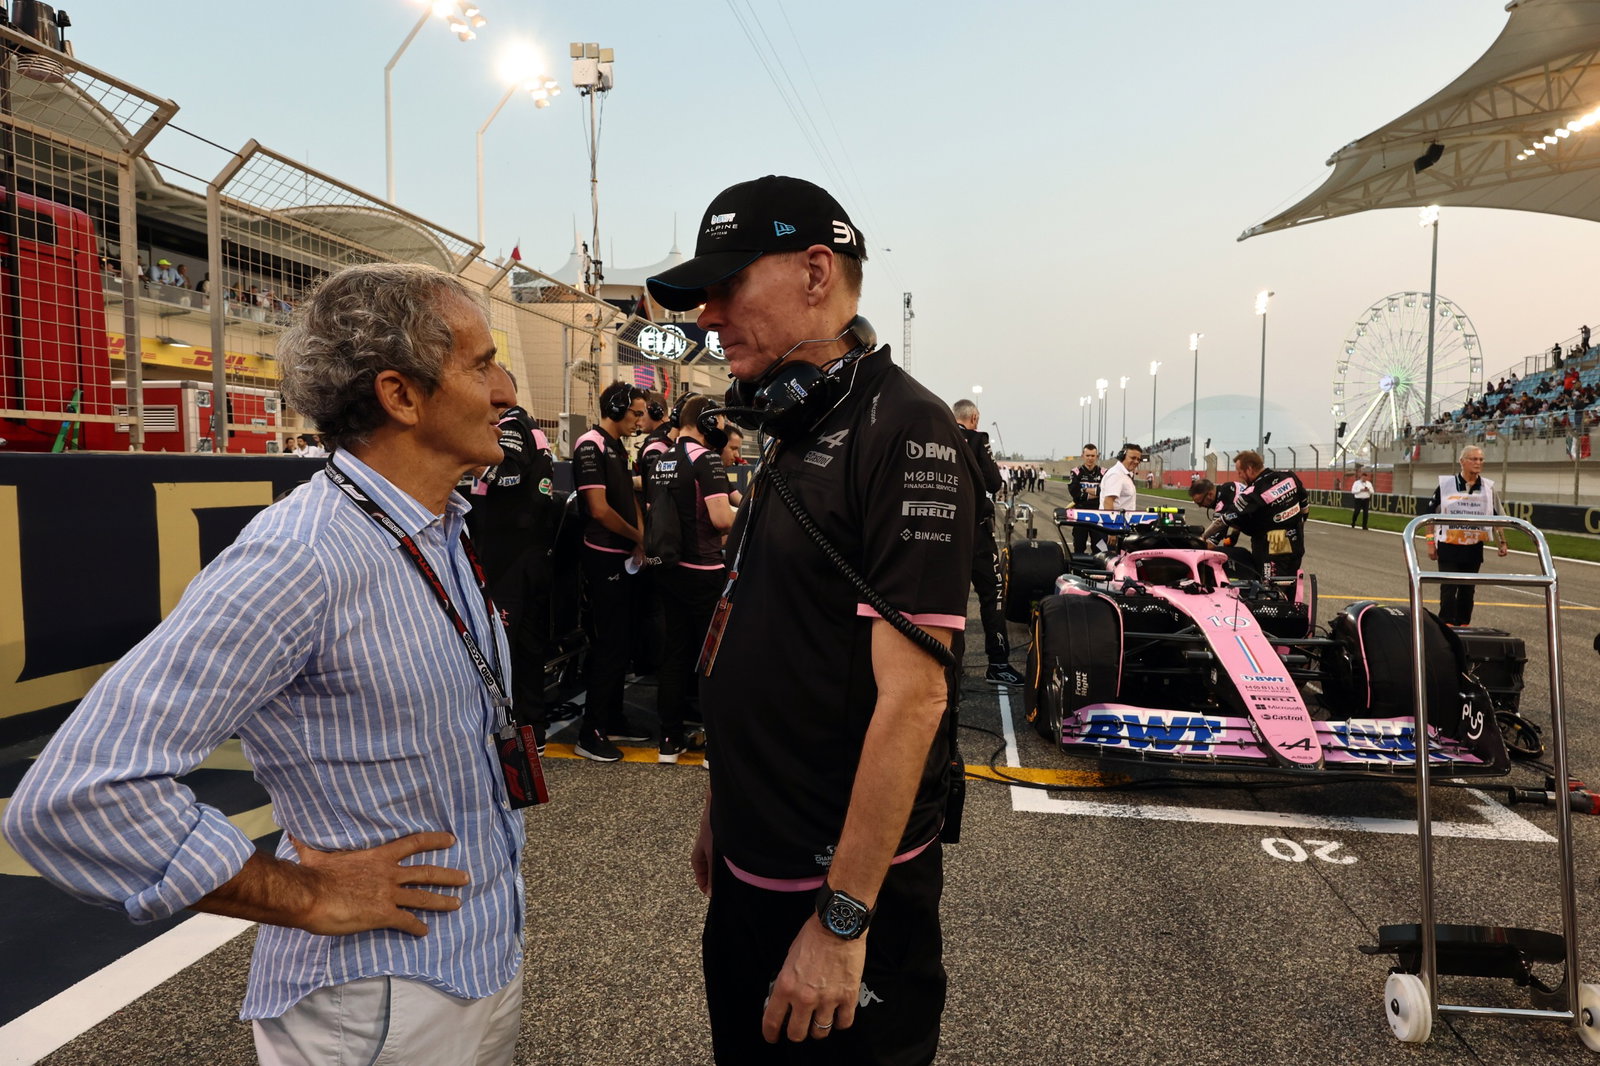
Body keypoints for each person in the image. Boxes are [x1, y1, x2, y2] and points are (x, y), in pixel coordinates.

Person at [2, 263, 531, 1064]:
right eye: (482, 363)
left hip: (477, 964)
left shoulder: (437, 525)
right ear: (401, 395)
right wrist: (305, 893)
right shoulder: (302, 556)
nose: (507, 388)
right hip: (378, 1003)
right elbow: (76, 796)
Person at [648, 174, 973, 1065]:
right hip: (754, 860)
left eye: (726, 287)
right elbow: (764, 623)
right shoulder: (791, 429)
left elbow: (915, 701)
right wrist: (725, 794)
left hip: (837, 897)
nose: (708, 316)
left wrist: (840, 921)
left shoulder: (907, 430)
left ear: (816, 272)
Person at [463, 372, 559, 750]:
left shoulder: (512, 423)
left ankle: (513, 733)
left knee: (507, 650)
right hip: (531, 555)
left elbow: (508, 475)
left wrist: (472, 461)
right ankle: (533, 731)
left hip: (510, 559)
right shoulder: (529, 426)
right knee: (529, 648)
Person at [648, 393, 735, 761]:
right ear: (705, 422)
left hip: (668, 570)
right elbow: (720, 519)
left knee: (675, 653)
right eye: (716, 423)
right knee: (713, 659)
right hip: (705, 571)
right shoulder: (707, 460)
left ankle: (668, 741)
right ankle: (713, 748)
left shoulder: (661, 459)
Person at [571, 381, 650, 761]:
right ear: (616, 408)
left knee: (623, 643)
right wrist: (637, 535)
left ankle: (613, 718)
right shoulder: (591, 444)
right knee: (608, 644)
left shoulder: (618, 447)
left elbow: (629, 498)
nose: (639, 419)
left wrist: (641, 539)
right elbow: (599, 509)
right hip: (602, 555)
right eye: (635, 412)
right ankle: (591, 733)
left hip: (626, 555)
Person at [952, 398, 1023, 686]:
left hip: (945, 531)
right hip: (977, 532)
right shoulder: (978, 439)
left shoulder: (938, 436)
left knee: (950, 600)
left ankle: (950, 668)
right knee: (992, 595)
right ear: (975, 418)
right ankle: (998, 663)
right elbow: (994, 482)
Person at [1425, 445, 1509, 626]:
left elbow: (1497, 515)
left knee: (1468, 588)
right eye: (1473, 459)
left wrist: (1502, 541)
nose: (1478, 463)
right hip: (1449, 543)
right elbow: (1430, 516)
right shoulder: (1446, 486)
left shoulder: (1488, 487)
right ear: (1462, 462)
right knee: (1449, 587)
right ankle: (1445, 624)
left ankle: (1464, 624)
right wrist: (1430, 542)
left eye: (1481, 459)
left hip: (1473, 545)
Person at [1207, 450, 1308, 579]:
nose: (1239, 476)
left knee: (1270, 591)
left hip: (1272, 547)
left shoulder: (1252, 492)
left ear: (1249, 469)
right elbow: (1305, 508)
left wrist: (1205, 537)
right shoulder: (1289, 476)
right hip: (1296, 543)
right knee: (1291, 585)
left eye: (1240, 471)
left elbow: (1225, 519)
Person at [1066, 445, 1105, 553]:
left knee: (1100, 549)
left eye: (1093, 455)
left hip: (1099, 516)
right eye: (1087, 455)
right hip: (1080, 515)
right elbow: (1076, 494)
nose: (1090, 458)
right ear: (1082, 456)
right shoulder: (1076, 472)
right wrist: (1097, 492)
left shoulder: (1104, 473)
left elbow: (1106, 493)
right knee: (1079, 547)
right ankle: (1079, 570)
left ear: (1097, 456)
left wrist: (1085, 490)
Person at [1098, 443, 1142, 511]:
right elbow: (1108, 502)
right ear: (1122, 457)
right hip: (1116, 521)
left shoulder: (1124, 474)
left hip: (1124, 520)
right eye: (1133, 458)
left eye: (1138, 459)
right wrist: (1111, 521)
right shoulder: (1116, 474)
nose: (1136, 461)